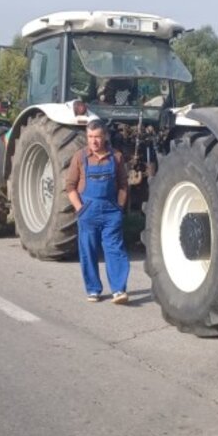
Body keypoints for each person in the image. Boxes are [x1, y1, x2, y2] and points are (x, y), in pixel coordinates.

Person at [65, 119, 130, 304]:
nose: (94, 141)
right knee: (88, 250)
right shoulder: (80, 157)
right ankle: (93, 289)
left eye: (97, 137)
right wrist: (80, 208)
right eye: (90, 137)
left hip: (111, 211)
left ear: (105, 137)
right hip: (88, 210)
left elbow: (123, 185)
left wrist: (119, 207)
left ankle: (119, 290)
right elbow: (70, 186)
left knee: (115, 249)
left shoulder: (116, 157)